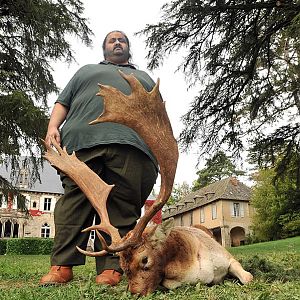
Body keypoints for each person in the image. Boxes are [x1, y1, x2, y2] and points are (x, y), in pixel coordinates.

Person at [39, 30, 158, 286]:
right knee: (74, 201)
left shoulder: (144, 78)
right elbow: (63, 103)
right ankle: (62, 265)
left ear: (129, 48)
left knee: (123, 204)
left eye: (122, 40)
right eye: (112, 40)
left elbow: (158, 116)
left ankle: (113, 268)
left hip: (131, 145)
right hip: (82, 142)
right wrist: (52, 127)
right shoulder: (85, 71)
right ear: (104, 49)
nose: (118, 42)